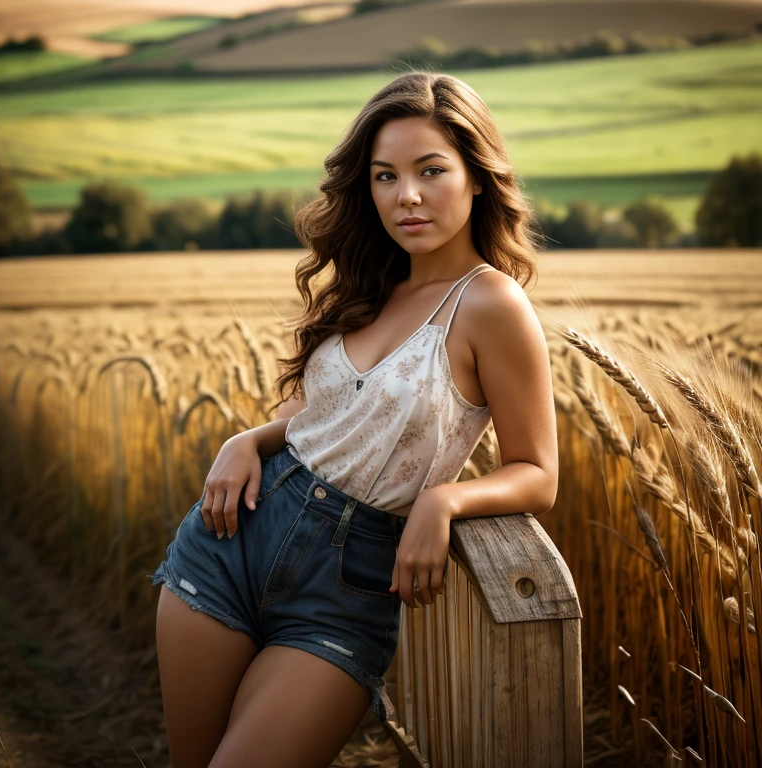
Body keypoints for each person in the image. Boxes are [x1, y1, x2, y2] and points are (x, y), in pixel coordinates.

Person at [147, 71, 558, 768]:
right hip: (232, 540)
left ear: (479, 176)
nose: (408, 196)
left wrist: (444, 499)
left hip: (346, 588)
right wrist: (248, 437)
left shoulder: (491, 305)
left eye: (432, 170)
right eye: (385, 176)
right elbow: (328, 413)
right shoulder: (374, 281)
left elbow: (537, 473)